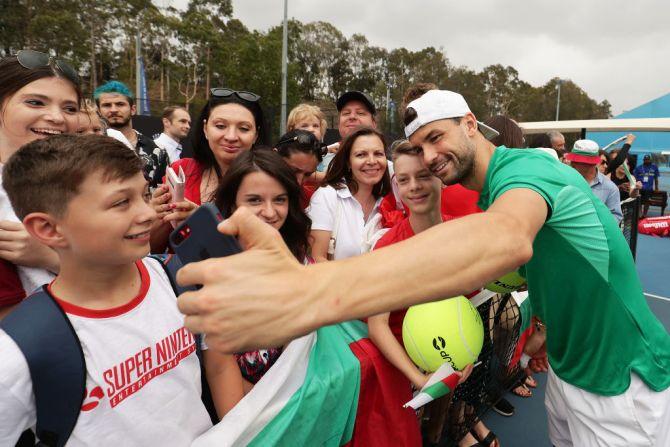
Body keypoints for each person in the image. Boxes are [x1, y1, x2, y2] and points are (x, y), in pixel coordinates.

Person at [177, 87, 670, 447]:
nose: (432, 157)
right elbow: (546, 259)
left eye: (438, 138)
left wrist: (310, 292)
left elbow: (507, 239)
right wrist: (543, 323)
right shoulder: (494, 188)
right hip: (574, 370)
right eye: (420, 148)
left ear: (471, 124)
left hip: (621, 383)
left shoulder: (524, 168)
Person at [0, 134, 213, 445]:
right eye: (121, 202)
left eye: (144, 194)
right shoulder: (18, 351)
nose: (148, 214)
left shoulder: (177, 277)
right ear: (48, 228)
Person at [368, 141, 499, 447]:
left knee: (436, 432)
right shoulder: (389, 247)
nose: (413, 187)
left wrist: (464, 354)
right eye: (404, 179)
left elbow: (469, 302)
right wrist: (418, 378)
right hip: (402, 369)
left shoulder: (462, 234)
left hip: (450, 358)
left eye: (423, 175)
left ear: (440, 177)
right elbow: (377, 325)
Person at [204, 149, 312, 414]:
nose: (269, 212)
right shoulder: (212, 270)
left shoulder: (298, 258)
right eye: (254, 200)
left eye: (280, 200)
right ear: (231, 204)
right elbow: (221, 375)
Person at [0, 50, 82, 316]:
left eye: (70, 108)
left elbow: (129, 268)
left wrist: (49, 256)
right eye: (36, 102)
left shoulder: (84, 180)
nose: (57, 118)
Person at [149, 88, 267, 252]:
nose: (231, 136)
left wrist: (201, 222)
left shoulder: (267, 181)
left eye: (244, 128)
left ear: (256, 135)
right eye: (220, 126)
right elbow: (153, 247)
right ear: (205, 128)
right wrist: (157, 217)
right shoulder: (181, 170)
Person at [308, 126, 391, 261]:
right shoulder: (327, 197)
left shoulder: (390, 201)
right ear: (348, 162)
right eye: (361, 154)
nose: (371, 161)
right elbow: (318, 259)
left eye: (378, 153)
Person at [94, 80, 168, 188]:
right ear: (99, 111)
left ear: (133, 109)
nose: (113, 110)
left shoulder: (157, 150)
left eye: (120, 104)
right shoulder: (91, 148)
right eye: (107, 105)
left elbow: (163, 192)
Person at [318, 90, 377, 172]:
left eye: (360, 113)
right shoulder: (317, 162)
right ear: (339, 125)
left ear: (374, 124)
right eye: (346, 113)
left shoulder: (388, 168)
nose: (352, 116)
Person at [565, 139, 623, 222]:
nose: (572, 164)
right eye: (573, 160)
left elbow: (615, 217)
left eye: (577, 161)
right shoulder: (564, 180)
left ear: (591, 164)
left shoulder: (609, 188)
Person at [634, 154, 661, 218]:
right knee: (639, 201)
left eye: (648, 159)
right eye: (645, 160)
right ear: (643, 160)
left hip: (648, 189)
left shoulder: (654, 167)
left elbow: (656, 178)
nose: (647, 161)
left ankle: (645, 214)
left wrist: (656, 188)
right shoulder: (639, 168)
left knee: (647, 201)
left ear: (650, 160)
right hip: (640, 188)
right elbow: (635, 179)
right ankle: (640, 214)